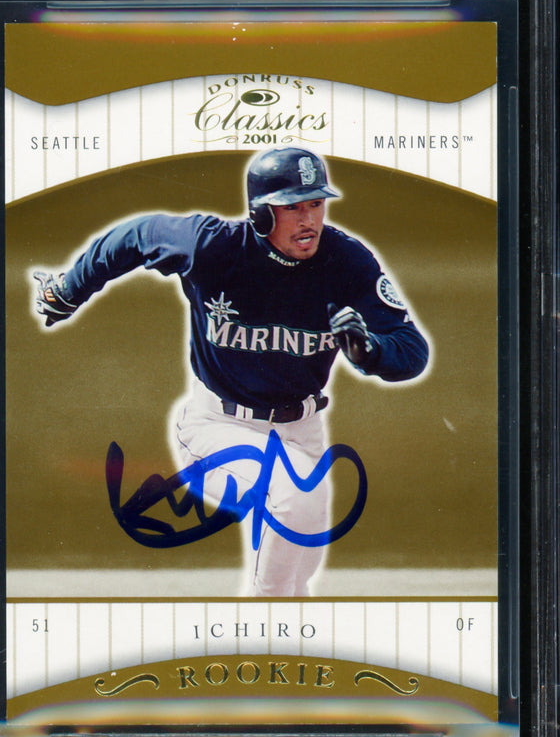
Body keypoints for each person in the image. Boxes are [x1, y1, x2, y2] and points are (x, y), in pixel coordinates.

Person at [34, 147, 429, 597]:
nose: (309, 220)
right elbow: (134, 237)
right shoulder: (214, 247)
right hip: (217, 426)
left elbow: (411, 351)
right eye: (292, 207)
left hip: (303, 431)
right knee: (293, 501)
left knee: (300, 569)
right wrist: (70, 289)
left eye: (316, 203)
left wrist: (371, 352)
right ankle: (263, 623)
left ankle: (281, 623)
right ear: (260, 214)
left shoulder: (346, 261)